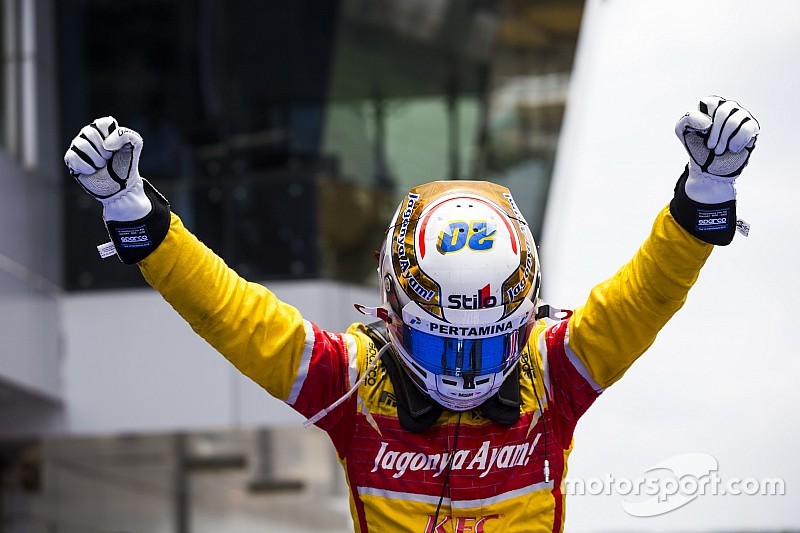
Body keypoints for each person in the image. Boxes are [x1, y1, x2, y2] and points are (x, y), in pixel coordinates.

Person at [64, 96, 759, 532]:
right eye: (442, 345)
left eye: (486, 349)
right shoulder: (351, 378)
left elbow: (644, 296)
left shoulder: (554, 372)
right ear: (393, 313)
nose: (465, 374)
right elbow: (234, 314)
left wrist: (703, 199)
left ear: (524, 325)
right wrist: (137, 215)